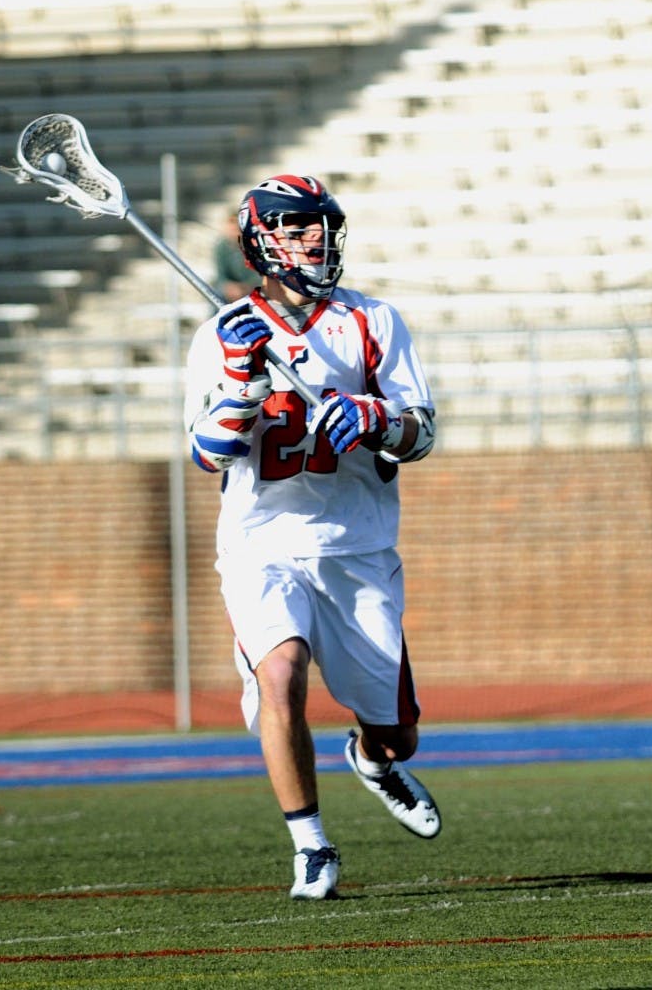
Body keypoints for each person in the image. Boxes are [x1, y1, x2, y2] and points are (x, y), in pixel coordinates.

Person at [184, 174, 441, 900]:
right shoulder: (223, 334)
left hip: (356, 546)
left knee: (397, 735)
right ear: (260, 240)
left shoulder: (375, 322)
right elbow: (206, 455)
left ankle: (373, 760)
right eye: (297, 227)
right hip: (263, 541)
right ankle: (312, 844)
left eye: (321, 226)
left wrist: (377, 419)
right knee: (281, 673)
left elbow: (423, 431)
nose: (315, 239)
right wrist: (239, 386)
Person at [211, 210, 261, 302]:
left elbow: (259, 275)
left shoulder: (253, 246)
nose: (232, 230)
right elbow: (221, 274)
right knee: (216, 292)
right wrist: (228, 287)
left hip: (251, 288)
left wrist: (246, 287)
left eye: (235, 227)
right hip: (232, 289)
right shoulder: (222, 246)